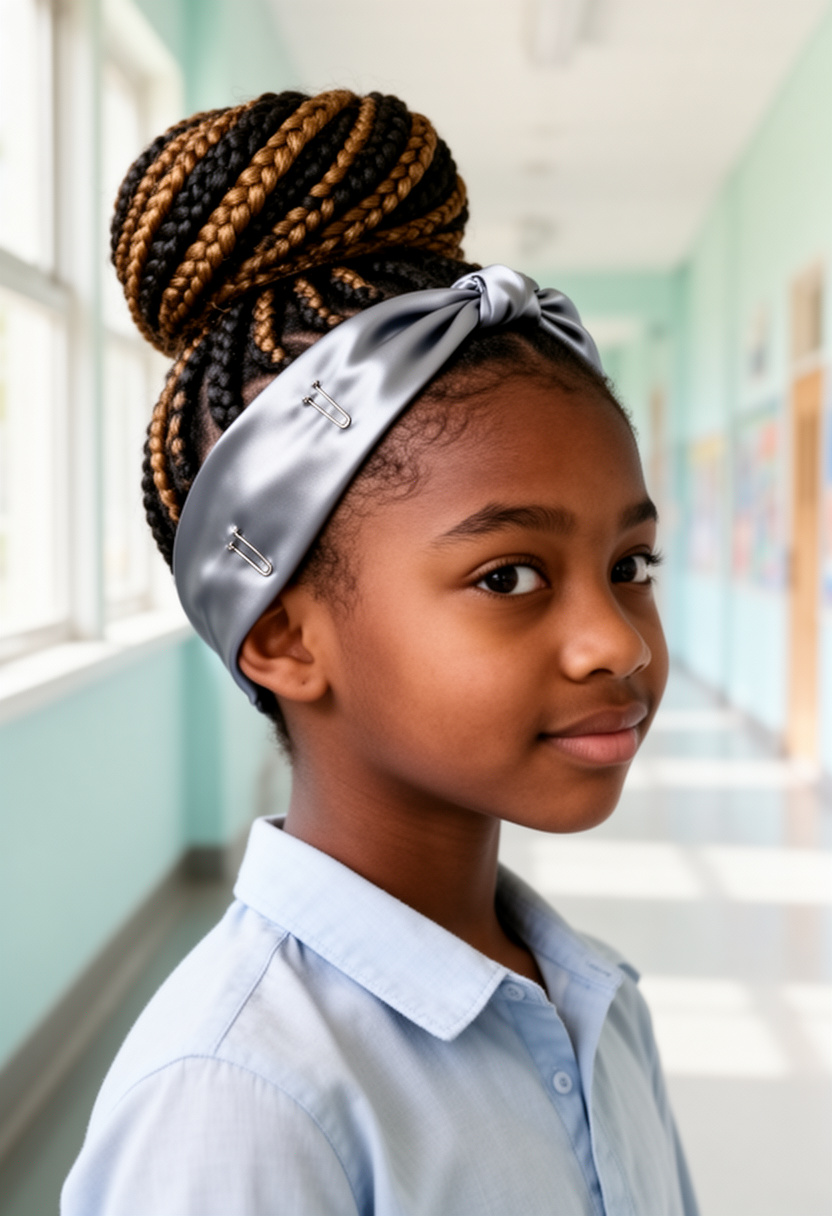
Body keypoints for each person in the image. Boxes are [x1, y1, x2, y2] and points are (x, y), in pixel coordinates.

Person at [62, 88, 699, 1215]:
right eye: (508, 576)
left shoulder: (597, 1000)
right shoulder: (237, 1104)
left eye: (629, 565)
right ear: (282, 637)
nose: (614, 639)